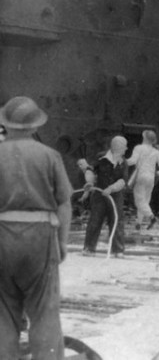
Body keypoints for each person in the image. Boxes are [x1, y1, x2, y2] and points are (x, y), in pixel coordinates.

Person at [0, 96, 73, 359]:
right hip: (40, 238)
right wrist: (62, 242)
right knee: (44, 313)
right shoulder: (50, 155)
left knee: (3, 313)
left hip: (2, 236)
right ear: (34, 126)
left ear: (5, 125)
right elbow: (64, 203)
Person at [83, 136, 129, 256]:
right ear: (117, 147)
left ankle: (118, 250)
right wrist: (90, 182)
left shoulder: (123, 162)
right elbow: (90, 170)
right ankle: (89, 248)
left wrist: (111, 188)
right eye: (124, 146)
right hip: (99, 195)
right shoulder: (101, 157)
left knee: (116, 222)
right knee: (95, 220)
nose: (126, 149)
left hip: (116, 196)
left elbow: (123, 181)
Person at [127, 130, 159, 230]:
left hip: (141, 176)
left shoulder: (139, 148)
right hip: (151, 178)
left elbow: (132, 161)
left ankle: (152, 217)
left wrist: (122, 161)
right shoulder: (156, 152)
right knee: (145, 201)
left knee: (139, 201)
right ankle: (138, 223)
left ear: (145, 138)